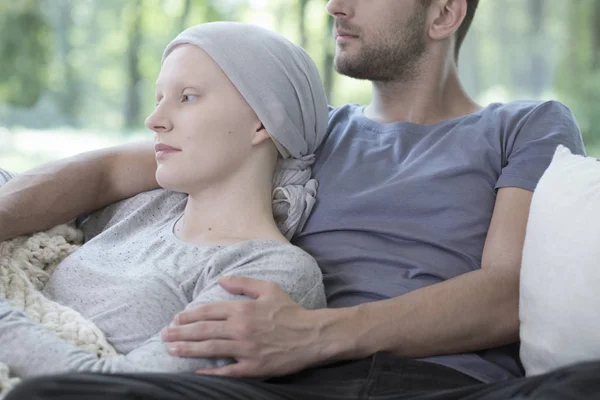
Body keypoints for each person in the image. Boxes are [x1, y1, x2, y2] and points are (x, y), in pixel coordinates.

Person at [3, 0, 600, 399]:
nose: (337, 4)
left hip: (440, 382)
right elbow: (109, 171)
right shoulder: (308, 133)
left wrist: (317, 333)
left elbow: (505, 292)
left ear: (443, 12)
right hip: (281, 382)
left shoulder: (526, 125)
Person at [0, 21, 329, 378]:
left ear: (264, 122)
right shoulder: (146, 207)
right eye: (159, 99)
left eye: (187, 97)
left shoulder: (270, 271)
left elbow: (117, 388)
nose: (154, 120)